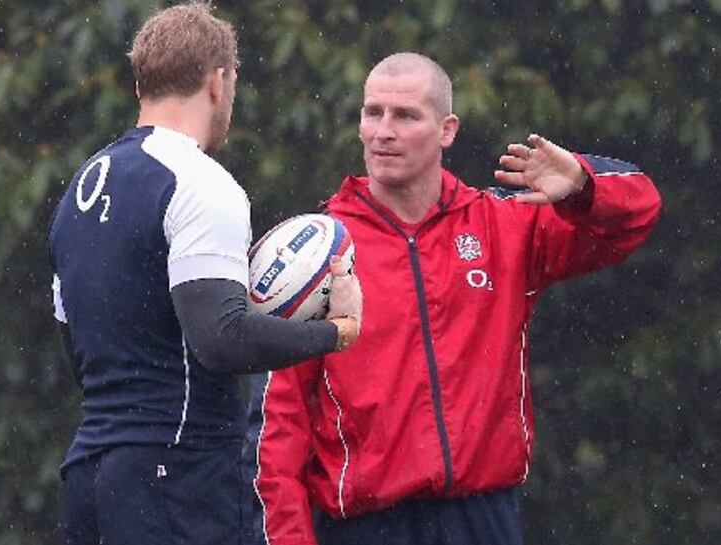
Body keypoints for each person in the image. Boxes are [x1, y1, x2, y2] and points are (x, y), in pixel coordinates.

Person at [248, 52, 661, 545]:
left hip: (483, 519)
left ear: (447, 130)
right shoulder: (315, 253)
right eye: (373, 112)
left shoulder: (502, 226)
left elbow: (636, 217)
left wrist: (581, 186)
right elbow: (277, 432)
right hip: (365, 528)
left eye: (405, 115)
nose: (383, 130)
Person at [47, 4, 362, 545]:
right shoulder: (199, 181)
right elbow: (222, 339)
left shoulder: (82, 188)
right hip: (176, 471)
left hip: (92, 474)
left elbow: (74, 342)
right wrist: (337, 330)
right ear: (218, 82)